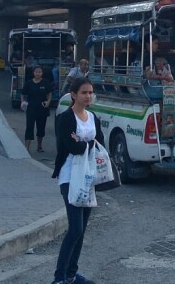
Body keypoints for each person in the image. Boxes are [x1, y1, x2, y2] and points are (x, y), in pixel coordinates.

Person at [50, 77, 103, 284]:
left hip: (89, 178)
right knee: (75, 228)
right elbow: (71, 148)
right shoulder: (65, 118)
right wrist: (86, 144)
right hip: (70, 177)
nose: (88, 96)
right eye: (84, 93)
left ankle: (71, 274)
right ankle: (58, 278)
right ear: (73, 95)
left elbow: (101, 144)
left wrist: (83, 142)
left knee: (82, 229)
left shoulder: (93, 117)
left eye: (91, 92)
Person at [22, 65, 53, 153]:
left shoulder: (45, 82)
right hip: (31, 109)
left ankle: (39, 146)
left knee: (41, 128)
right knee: (29, 128)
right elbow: (23, 94)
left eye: (39, 72)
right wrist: (23, 102)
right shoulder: (29, 83)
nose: (37, 74)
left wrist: (48, 102)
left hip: (42, 109)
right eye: (36, 72)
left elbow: (49, 93)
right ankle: (26, 148)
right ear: (33, 73)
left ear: (42, 73)